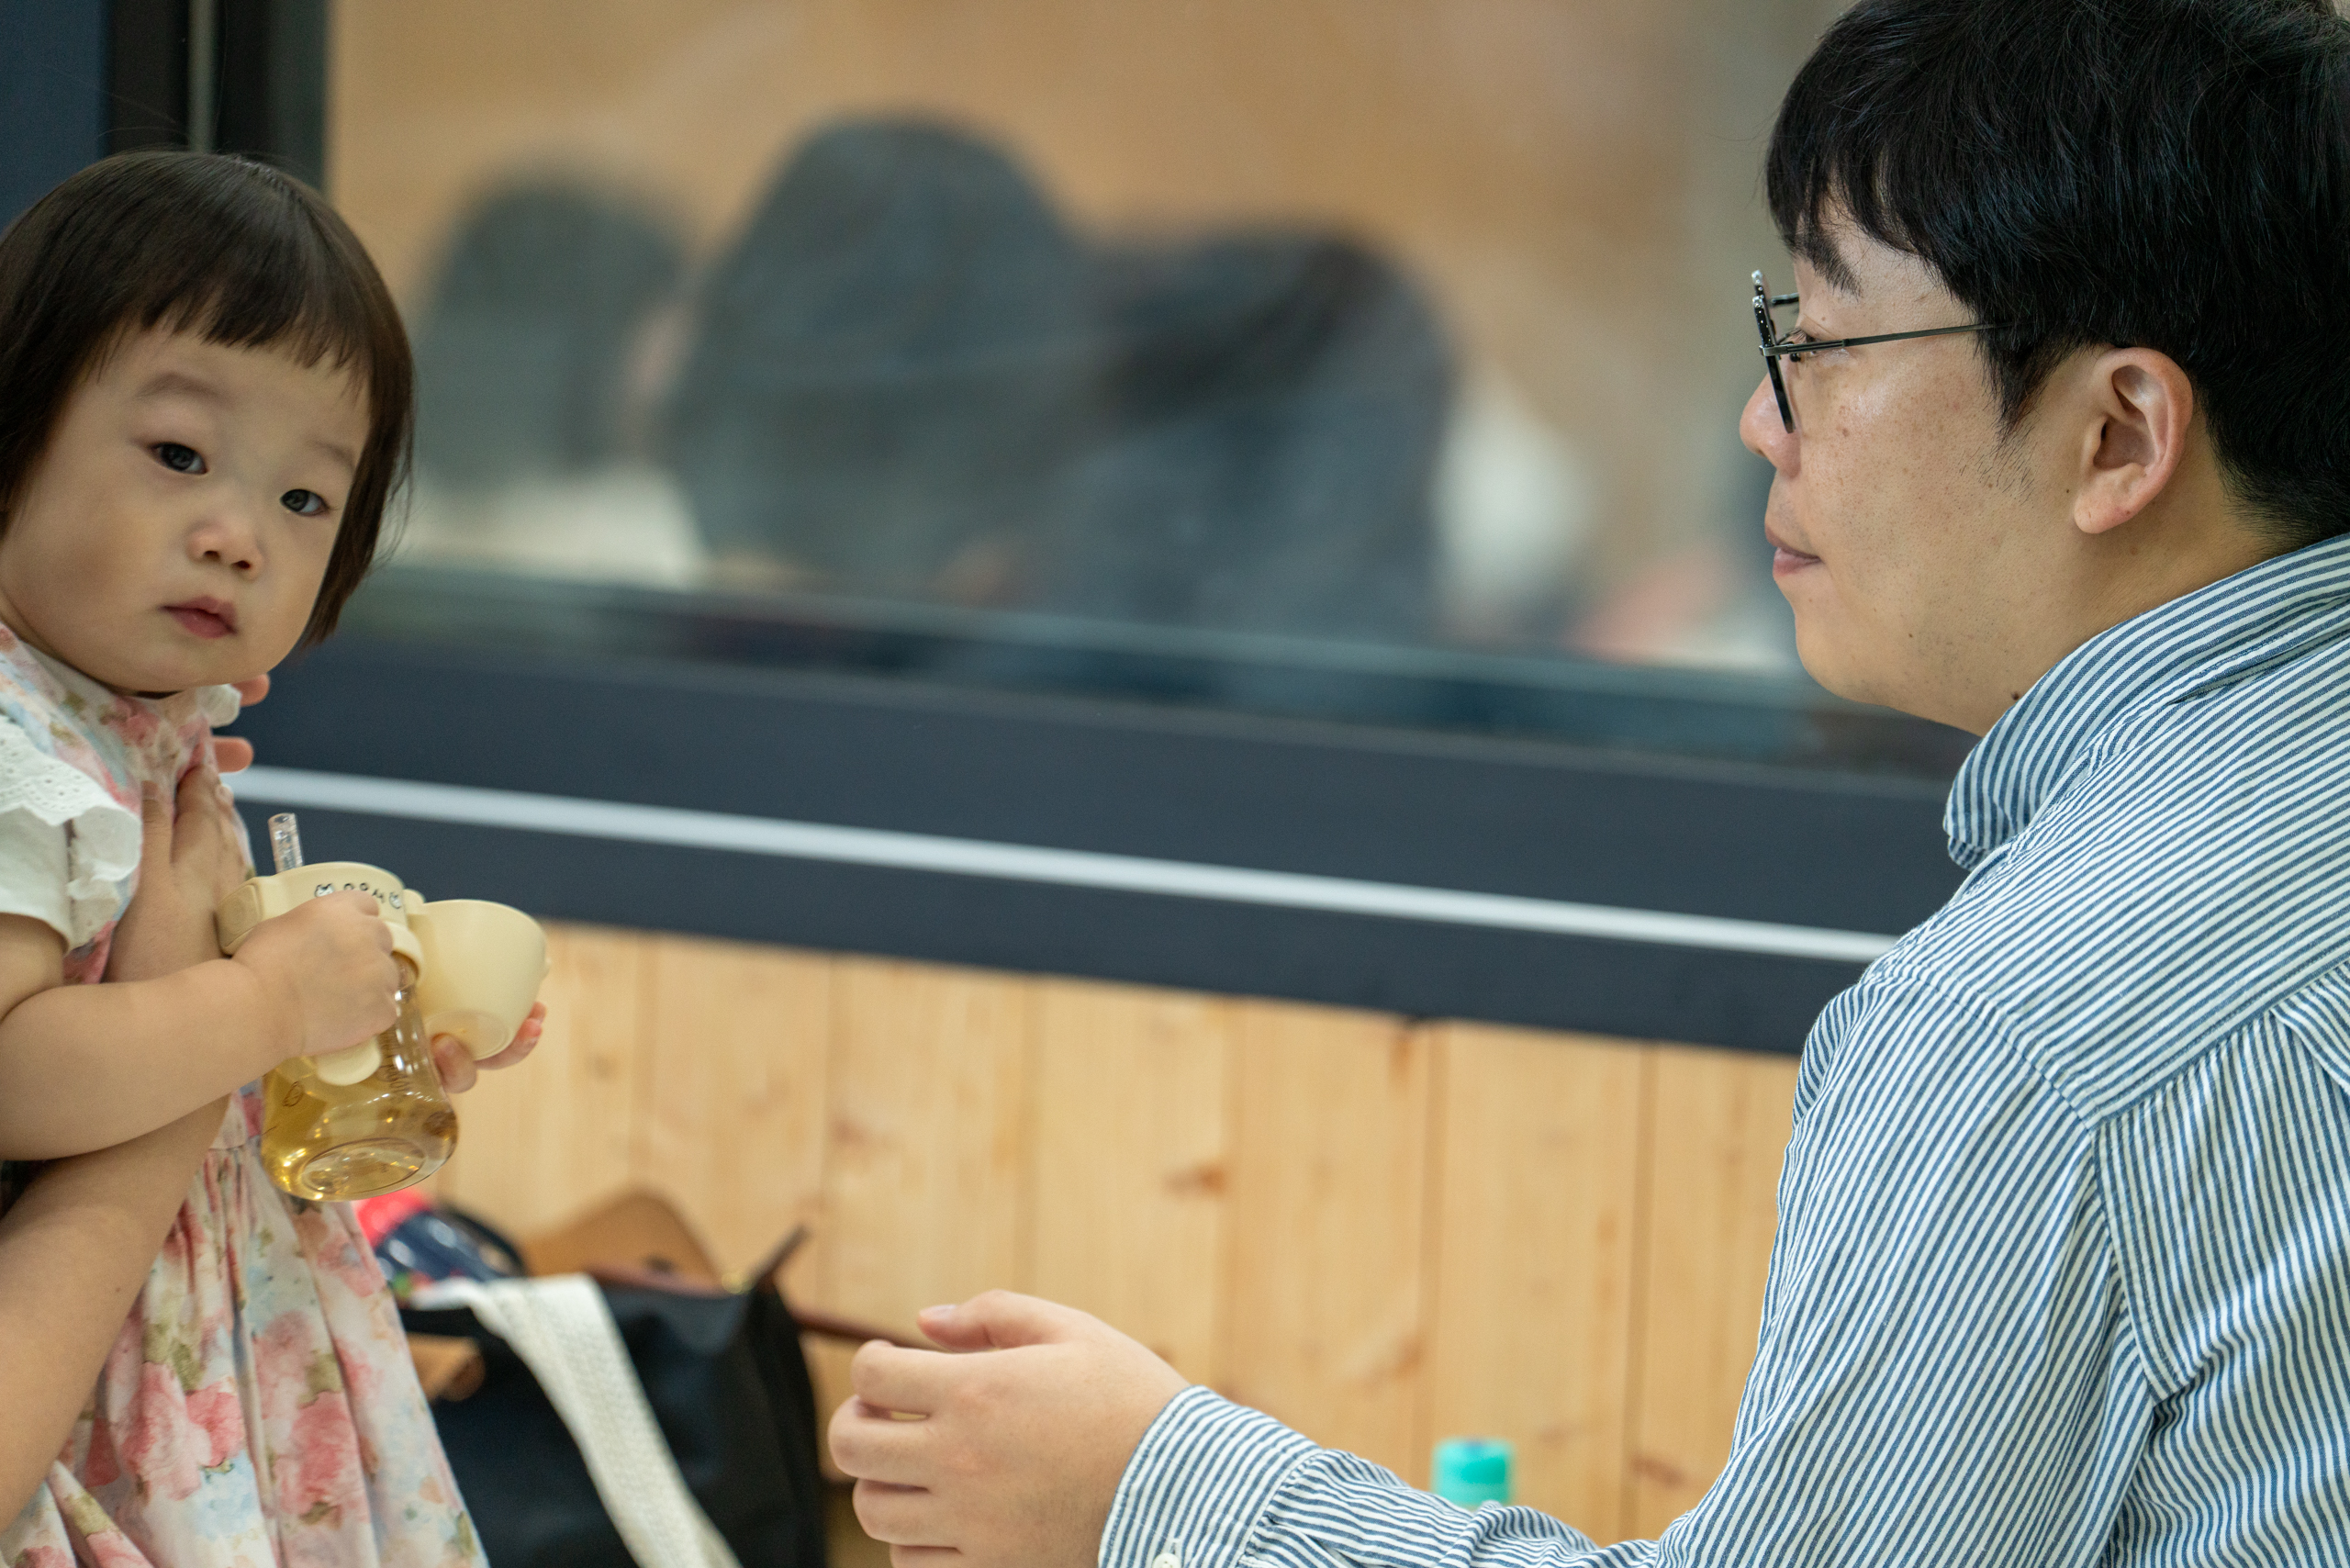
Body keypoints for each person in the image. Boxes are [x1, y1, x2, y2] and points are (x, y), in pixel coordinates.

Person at [826, 2, 2350, 1563]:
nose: (1763, 421)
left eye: (1823, 345)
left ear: (2118, 436)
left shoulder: (2026, 1028)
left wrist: (1149, 1491)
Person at [0, 151, 541, 1564]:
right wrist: (264, 1005)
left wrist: (355, 1044)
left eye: (306, 499)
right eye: (179, 455)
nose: (238, 538)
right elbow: (14, 1072)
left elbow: (148, 1028)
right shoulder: (13, 750)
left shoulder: (139, 735)